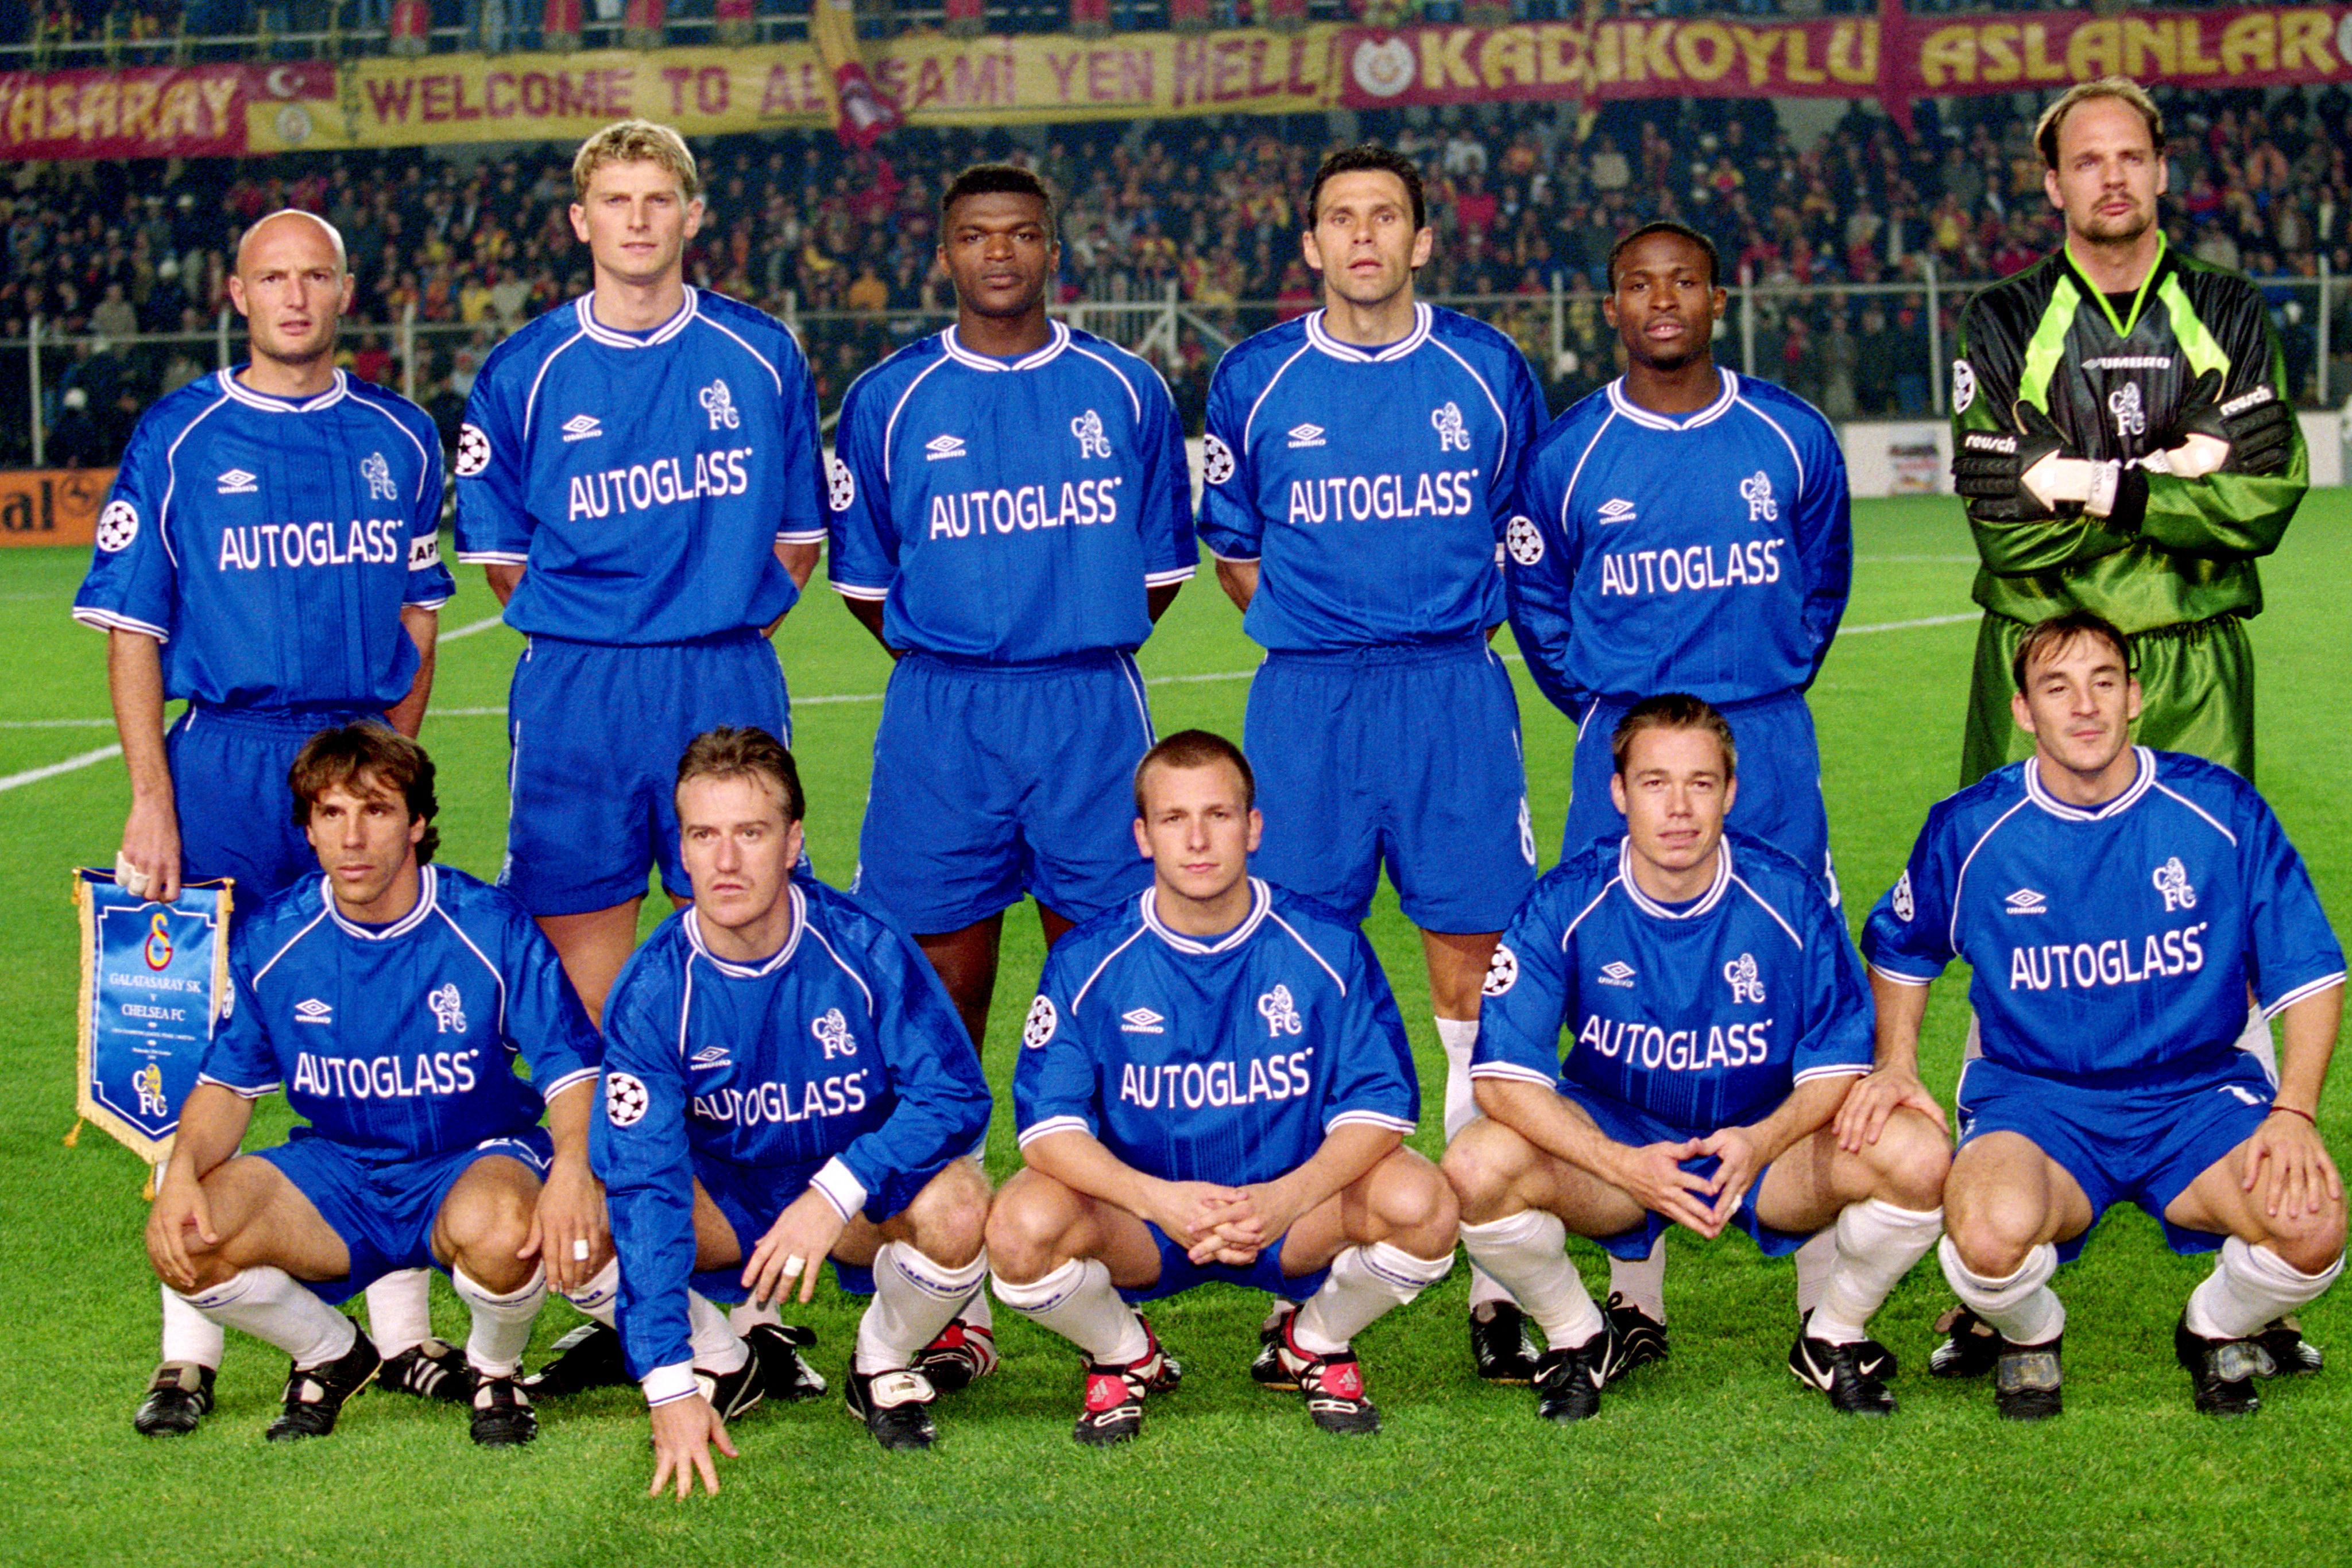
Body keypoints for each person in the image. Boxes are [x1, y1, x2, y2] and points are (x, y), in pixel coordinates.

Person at [71, 208, 462, 1437]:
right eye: (272, 277)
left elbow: (417, 617)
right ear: (238, 291)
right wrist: (152, 794)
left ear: (346, 290)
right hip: (225, 766)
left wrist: (388, 768)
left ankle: (401, 1332)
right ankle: (189, 1344)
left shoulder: (399, 434)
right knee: (194, 1052)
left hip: (351, 758)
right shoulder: (179, 434)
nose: (295, 296)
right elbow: (134, 625)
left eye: (316, 277)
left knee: (378, 1027)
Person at [1193, 144, 1543, 1383]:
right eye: (1338, 218)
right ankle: (1291, 1247)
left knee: (1471, 976)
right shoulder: (1254, 378)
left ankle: (1495, 1272)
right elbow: (1235, 552)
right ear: (1309, 244)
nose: (1361, 238)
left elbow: (1521, 536)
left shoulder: (1487, 370)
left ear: (1420, 240)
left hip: (1450, 691)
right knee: (1294, 971)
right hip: (1308, 704)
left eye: (1383, 217)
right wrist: (1322, 631)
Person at [1504, 219, 1856, 1368]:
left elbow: (1820, 590)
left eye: (1684, 282)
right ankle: (1634, 1297)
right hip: (1627, 744)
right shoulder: (1567, 455)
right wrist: (1620, 720)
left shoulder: (1790, 435)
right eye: (1636, 286)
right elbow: (1541, 611)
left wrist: (1756, 685)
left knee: (1793, 979)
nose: (1662, 301)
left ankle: (1816, 1294)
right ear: (1608, 308)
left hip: (1762, 734)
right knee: (1620, 990)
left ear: (1718, 296)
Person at [1859, 612, 2343, 1418]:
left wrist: (2294, 1108)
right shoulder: (1973, 827)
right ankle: (2032, 1330)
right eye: (2058, 686)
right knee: (1982, 1235)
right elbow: (1902, 950)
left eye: (2103, 681)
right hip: (2038, 1100)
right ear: (2023, 710)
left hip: (2197, 1096)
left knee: (2313, 1225)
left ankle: (2212, 1324)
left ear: (2135, 697)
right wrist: (1898, 1064)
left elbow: (2311, 970)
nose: (2083, 705)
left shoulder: (2218, 808)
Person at [1444, 696, 1947, 1421]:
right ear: (1617, 793)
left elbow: (1841, 1057)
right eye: (1654, 782)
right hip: (1621, 1146)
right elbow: (1502, 1079)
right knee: (1473, 1165)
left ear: (1730, 793)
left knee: (1919, 1156)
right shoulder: (1564, 901)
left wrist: (1761, 1141)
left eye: (1700, 783)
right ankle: (1576, 1336)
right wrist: (1621, 1165)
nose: (1678, 807)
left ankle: (1834, 1331)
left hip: (1764, 1145)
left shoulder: (1789, 897)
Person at [454, 118, 827, 1024]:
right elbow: (503, 561)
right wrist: (608, 627)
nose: (637, 220)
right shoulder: (523, 371)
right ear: (581, 221)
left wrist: (717, 619)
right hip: (578, 686)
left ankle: (746, 1156)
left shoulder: (762, 354)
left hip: (722, 671)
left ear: (692, 215)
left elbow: (798, 535)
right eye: (616, 202)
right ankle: (595, 1158)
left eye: (658, 200)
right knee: (580, 966)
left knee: (748, 936)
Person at [987, 730, 1457, 1445]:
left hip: (1293, 1215)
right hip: (1145, 1222)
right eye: (1174, 819)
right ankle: (1124, 1352)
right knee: (1019, 1228)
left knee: (1421, 1204)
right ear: (1144, 837)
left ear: (1253, 827)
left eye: (1219, 815)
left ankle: (1314, 1340)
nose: (1198, 839)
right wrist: (1160, 1202)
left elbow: (1380, 1110)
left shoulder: (1325, 945)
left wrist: (1283, 1199)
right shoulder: (1088, 958)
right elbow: (1048, 1129)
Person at [141, 727, 606, 1446]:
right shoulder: (274, 938)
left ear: (417, 824)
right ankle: (332, 1350)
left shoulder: (488, 925)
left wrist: (572, 1167)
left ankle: (493, 1369)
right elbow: (226, 1090)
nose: (352, 838)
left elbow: (570, 1071)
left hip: (469, 1157)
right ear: (309, 829)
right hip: (340, 1171)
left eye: (377, 811)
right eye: (331, 814)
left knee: (507, 1233)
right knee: (192, 1235)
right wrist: (180, 1176)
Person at [827, 163, 1194, 1058]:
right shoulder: (887, 399)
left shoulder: (1127, 388)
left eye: (1023, 233)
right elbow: (866, 582)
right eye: (976, 235)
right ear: (945, 254)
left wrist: (1068, 624)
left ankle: (1110, 1190)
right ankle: (946, 1183)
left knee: (1113, 972)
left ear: (1054, 251)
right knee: (939, 985)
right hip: (942, 710)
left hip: (1090, 707)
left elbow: (1161, 567)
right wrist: (958, 648)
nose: (1000, 252)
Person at [593, 728, 994, 1486]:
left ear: (792, 842)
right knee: (582, 1221)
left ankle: (880, 1359)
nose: (726, 859)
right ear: (680, 848)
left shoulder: (863, 947)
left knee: (962, 1206)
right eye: (704, 834)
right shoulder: (653, 992)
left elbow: (954, 1093)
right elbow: (645, 1184)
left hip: (849, 1205)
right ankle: (716, 1356)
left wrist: (835, 1190)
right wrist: (667, 1385)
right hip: (725, 1204)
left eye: (751, 832)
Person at [1948, 77, 2305, 789]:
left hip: (2193, 657)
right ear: (2052, 185)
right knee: (2027, 893)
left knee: (2196, 890)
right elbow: (2006, 531)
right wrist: (2177, 479)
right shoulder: (2000, 319)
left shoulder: (2226, 307)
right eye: (2086, 163)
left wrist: (2087, 482)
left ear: (2161, 170)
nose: (2112, 178)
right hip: (2040, 651)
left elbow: (2257, 505)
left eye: (2131, 157)